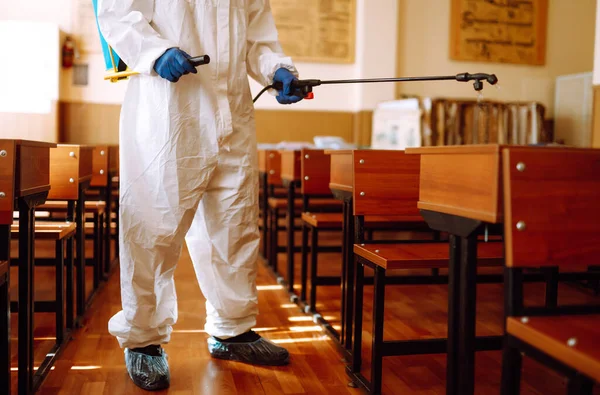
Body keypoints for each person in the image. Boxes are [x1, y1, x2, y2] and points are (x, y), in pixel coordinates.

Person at [97, 0, 303, 391]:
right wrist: (156, 53)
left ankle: (233, 330)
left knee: (234, 225)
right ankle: (143, 339)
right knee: (154, 227)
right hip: (169, 110)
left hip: (233, 114)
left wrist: (275, 70)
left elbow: (258, 37)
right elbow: (117, 13)